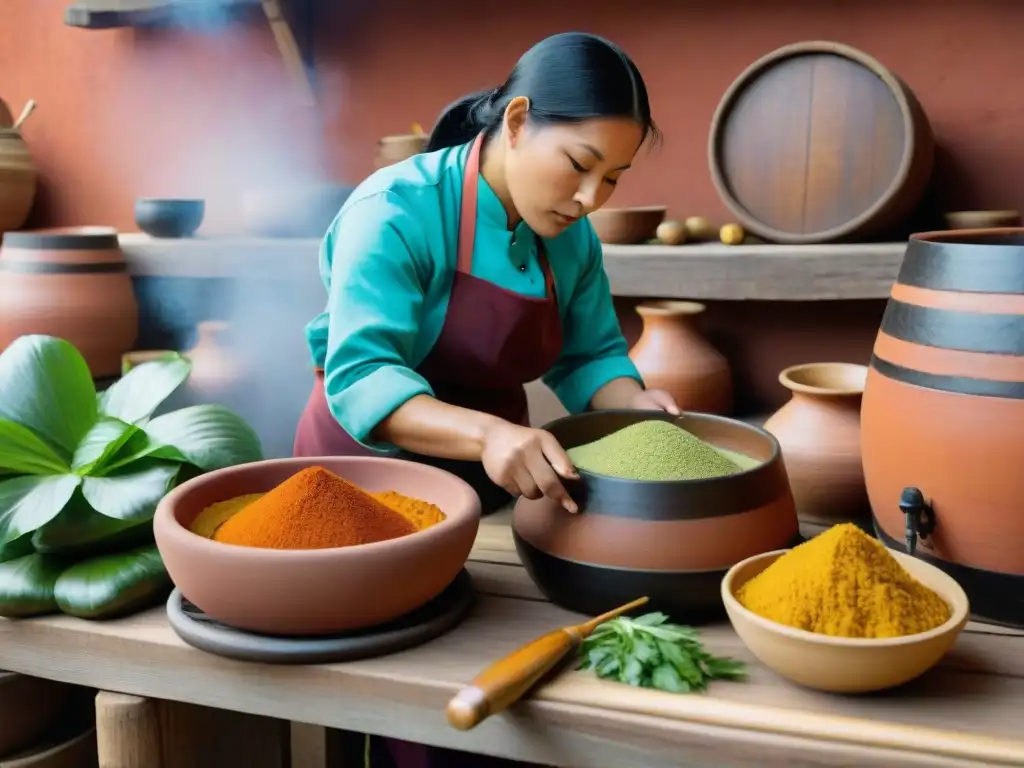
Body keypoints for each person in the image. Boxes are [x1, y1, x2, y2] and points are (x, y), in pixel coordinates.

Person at [294, 31, 676, 768]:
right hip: (363, 478)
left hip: (489, 480)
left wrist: (637, 408)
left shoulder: (571, 237)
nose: (590, 199)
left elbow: (591, 352)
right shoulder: (396, 208)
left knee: (483, 686)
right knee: (385, 696)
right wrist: (488, 437)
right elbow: (364, 374)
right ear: (518, 120)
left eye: (614, 180)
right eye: (579, 166)